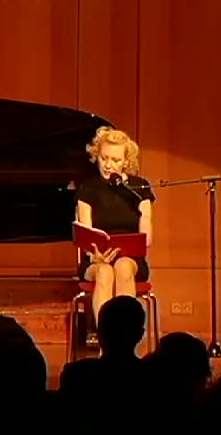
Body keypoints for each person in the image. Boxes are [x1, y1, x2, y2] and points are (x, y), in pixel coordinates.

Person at [76, 126, 155, 326]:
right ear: (97, 156)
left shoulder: (139, 188)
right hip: (95, 260)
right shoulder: (88, 188)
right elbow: (85, 230)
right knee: (104, 271)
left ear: (126, 162)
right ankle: (106, 336)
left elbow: (146, 230)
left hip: (131, 260)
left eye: (115, 160)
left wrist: (142, 240)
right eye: (104, 158)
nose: (108, 165)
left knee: (123, 266)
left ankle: (124, 335)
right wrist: (93, 255)